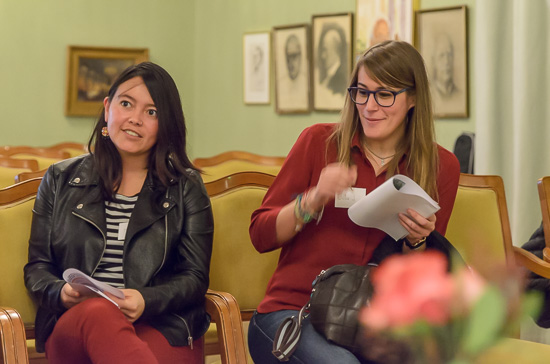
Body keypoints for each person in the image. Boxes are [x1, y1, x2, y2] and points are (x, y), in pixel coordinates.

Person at [248, 40, 460, 363]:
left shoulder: (440, 167)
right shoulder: (318, 143)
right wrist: (314, 198)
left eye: (384, 94)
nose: (369, 106)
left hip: (373, 325)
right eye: (361, 92)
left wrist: (417, 242)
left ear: (413, 98)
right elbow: (260, 235)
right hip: (293, 314)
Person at [24, 62, 213, 364]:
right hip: (77, 321)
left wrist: (144, 300)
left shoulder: (186, 187)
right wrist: (61, 292)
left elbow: (194, 278)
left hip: (161, 323)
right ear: (108, 107)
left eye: (151, 112)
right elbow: (37, 268)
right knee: (99, 312)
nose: (135, 119)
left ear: (166, 124)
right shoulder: (60, 179)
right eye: (126, 104)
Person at [317, 22, 348, 96]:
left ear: (335, 49)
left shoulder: (341, 79)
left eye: (325, 50)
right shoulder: (326, 78)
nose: (323, 56)